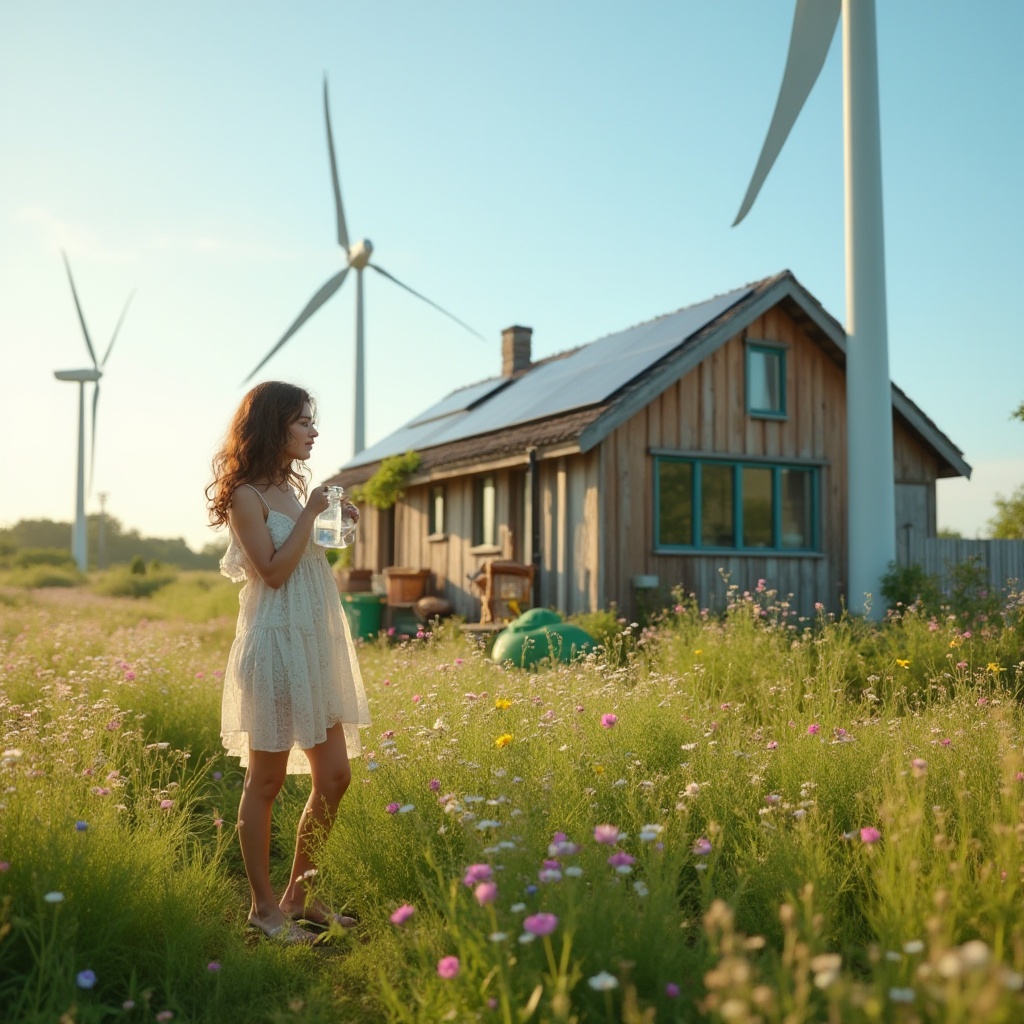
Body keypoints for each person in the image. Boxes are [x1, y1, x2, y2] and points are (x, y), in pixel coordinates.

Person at [206, 381, 370, 944]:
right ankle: (264, 908)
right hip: (273, 646)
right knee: (267, 780)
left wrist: (340, 519)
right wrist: (313, 511)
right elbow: (273, 571)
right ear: (275, 426)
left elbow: (314, 556)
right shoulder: (246, 495)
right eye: (303, 422)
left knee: (335, 776)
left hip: (314, 644)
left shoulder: (294, 492)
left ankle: (301, 895)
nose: (314, 431)